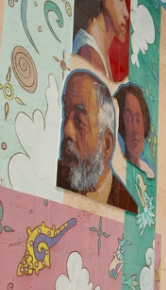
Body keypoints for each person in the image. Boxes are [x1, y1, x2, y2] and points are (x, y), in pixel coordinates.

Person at [57, 70, 137, 213]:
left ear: (106, 144)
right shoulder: (54, 175)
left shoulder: (128, 206)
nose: (66, 130)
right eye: (66, 114)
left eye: (79, 121)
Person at [115, 84, 155, 178]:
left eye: (139, 121)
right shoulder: (117, 167)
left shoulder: (148, 173)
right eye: (129, 119)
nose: (135, 129)